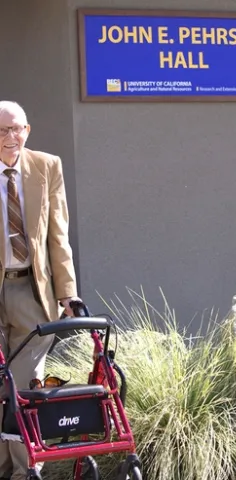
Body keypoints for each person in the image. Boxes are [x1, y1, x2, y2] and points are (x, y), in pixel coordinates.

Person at [0, 101, 81, 479]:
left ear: (27, 130)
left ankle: (22, 473)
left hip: (32, 292)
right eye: (2, 131)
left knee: (24, 386)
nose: (10, 137)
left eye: (16, 129)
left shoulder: (47, 167)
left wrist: (67, 293)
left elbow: (58, 236)